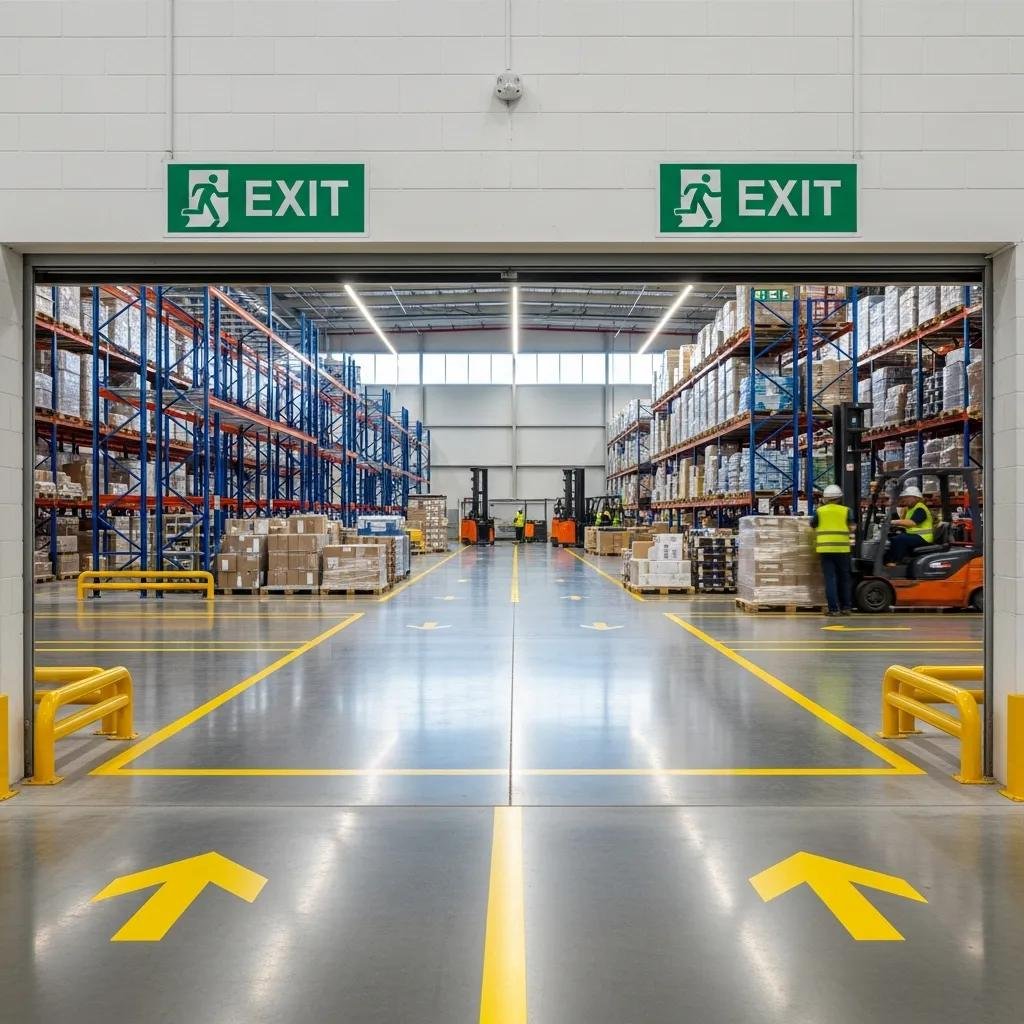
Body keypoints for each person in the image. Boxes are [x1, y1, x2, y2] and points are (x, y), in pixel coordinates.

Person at [811, 484, 854, 617]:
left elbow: (813, 525)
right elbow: (852, 527)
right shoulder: (847, 510)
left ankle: (834, 609)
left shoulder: (820, 511)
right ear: (840, 498)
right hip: (842, 548)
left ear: (825, 498)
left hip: (826, 549)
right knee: (845, 578)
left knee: (830, 579)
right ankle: (846, 607)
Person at [886, 485, 933, 563]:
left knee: (899, 539)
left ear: (915, 497)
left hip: (924, 538)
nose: (904, 499)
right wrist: (895, 525)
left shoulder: (920, 508)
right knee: (892, 536)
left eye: (906, 497)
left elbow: (912, 523)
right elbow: (906, 523)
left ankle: (896, 562)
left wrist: (893, 522)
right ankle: (890, 560)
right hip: (915, 536)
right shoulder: (910, 508)